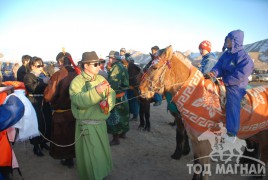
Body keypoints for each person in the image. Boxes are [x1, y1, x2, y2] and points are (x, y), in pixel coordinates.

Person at [69, 51, 116, 180]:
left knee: (101, 153)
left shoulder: (101, 78)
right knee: (91, 156)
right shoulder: (77, 82)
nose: (98, 66)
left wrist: (107, 104)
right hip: (87, 125)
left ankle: (102, 174)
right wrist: (96, 91)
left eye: (99, 63)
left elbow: (111, 93)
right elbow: (77, 100)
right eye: (95, 64)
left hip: (101, 124)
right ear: (85, 66)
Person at [206, 29, 254, 143]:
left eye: (229, 40)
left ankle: (232, 132)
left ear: (236, 42)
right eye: (226, 40)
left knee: (232, 101)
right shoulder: (226, 54)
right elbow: (219, 66)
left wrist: (226, 81)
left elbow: (241, 75)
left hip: (236, 85)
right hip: (224, 80)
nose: (227, 42)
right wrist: (213, 73)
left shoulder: (245, 58)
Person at [44, 52, 77, 168]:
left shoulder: (57, 75)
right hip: (75, 112)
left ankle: (68, 160)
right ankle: (72, 158)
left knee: (63, 137)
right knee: (73, 135)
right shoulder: (78, 73)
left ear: (60, 62)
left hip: (61, 114)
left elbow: (48, 96)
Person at [24, 57, 52, 156]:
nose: (41, 67)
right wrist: (43, 83)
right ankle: (36, 146)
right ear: (32, 66)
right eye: (38, 65)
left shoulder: (43, 74)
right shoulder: (28, 76)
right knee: (37, 124)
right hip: (34, 102)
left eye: (42, 65)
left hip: (44, 101)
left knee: (48, 122)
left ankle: (43, 142)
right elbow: (32, 89)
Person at [106, 50, 130, 145]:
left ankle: (116, 139)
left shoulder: (115, 68)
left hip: (115, 96)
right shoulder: (122, 66)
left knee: (114, 117)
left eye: (109, 58)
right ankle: (123, 133)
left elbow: (112, 84)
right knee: (123, 115)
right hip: (123, 95)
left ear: (113, 58)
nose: (109, 60)